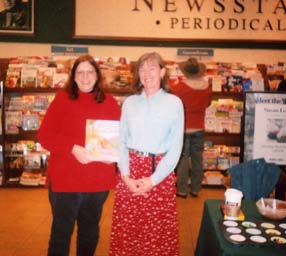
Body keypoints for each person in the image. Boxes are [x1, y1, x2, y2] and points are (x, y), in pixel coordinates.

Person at [38, 54, 121, 256]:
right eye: (80, 73)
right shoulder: (62, 99)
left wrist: (115, 153)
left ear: (97, 75)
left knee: (89, 233)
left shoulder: (110, 102)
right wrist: (72, 148)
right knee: (61, 234)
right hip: (65, 180)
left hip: (97, 181)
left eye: (90, 72)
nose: (85, 77)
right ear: (73, 77)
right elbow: (44, 135)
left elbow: (119, 137)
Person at [109, 52, 184, 256]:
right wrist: (125, 175)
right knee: (128, 230)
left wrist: (153, 180)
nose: (147, 73)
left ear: (162, 72)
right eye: (142, 69)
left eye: (152, 68)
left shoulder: (174, 103)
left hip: (159, 172)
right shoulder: (130, 103)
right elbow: (121, 141)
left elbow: (175, 148)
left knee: (157, 233)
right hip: (129, 171)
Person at [170, 57, 212, 198]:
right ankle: (195, 189)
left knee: (182, 160)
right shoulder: (207, 86)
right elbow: (207, 104)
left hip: (184, 128)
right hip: (199, 127)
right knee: (197, 160)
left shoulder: (180, 87)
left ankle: (182, 190)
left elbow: (174, 104)